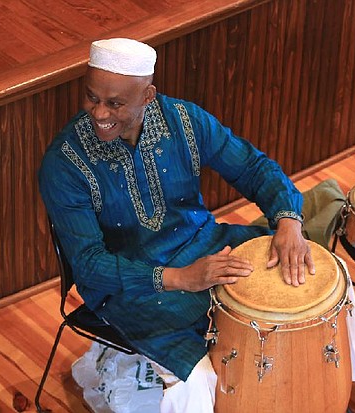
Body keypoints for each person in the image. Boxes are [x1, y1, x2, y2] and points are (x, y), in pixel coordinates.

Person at [38, 38, 313, 412]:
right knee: (198, 377)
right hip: (129, 289)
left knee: (315, 282)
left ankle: (318, 396)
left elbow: (252, 167)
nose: (98, 112)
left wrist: (287, 221)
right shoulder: (64, 162)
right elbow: (88, 264)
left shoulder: (184, 120)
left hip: (207, 244)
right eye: (91, 97)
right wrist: (181, 278)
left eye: (114, 103)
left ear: (148, 95)